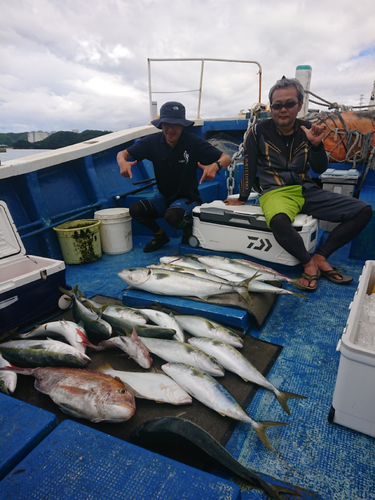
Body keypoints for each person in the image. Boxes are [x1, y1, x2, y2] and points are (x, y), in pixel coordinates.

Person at [224, 77, 372, 291]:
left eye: (289, 104)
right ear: (271, 107)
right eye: (277, 105)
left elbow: (320, 169)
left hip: (307, 189)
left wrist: (317, 145)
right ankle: (308, 262)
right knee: (278, 221)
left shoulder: (309, 130)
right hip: (276, 192)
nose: (282, 109)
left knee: (363, 211)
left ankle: (321, 257)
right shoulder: (257, 132)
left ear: (299, 105)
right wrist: (243, 197)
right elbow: (249, 166)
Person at [117, 101, 231, 252]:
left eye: (176, 125)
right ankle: (160, 235)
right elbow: (122, 153)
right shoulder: (152, 142)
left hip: (188, 198)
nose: (170, 129)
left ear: (183, 126)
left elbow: (226, 158)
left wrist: (216, 165)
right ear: (161, 125)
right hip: (164, 197)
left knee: (173, 216)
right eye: (166, 124)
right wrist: (122, 163)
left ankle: (190, 230)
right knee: (136, 210)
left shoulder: (193, 142)